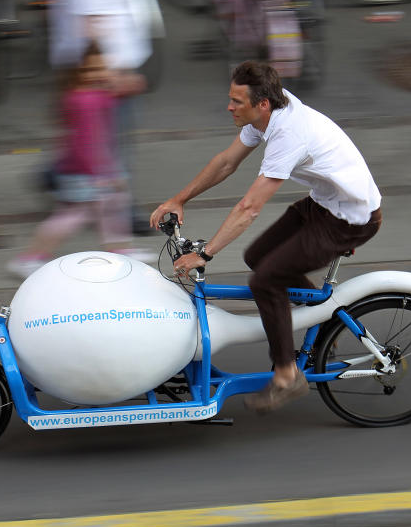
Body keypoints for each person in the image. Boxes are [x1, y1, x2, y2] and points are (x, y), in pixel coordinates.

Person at [149, 62, 383, 414]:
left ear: (262, 104)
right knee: (258, 257)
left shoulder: (289, 134)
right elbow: (226, 162)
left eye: (236, 101)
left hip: (350, 219)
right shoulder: (267, 113)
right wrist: (179, 199)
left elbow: (249, 208)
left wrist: (206, 254)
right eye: (230, 98)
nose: (229, 107)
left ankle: (288, 376)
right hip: (323, 205)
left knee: (265, 280)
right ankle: (320, 322)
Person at [43, 0, 152, 232]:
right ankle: (119, 213)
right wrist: (110, 73)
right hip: (102, 66)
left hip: (92, 63)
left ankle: (56, 175)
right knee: (111, 145)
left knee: (94, 137)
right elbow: (92, 19)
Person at [6, 43, 153, 278]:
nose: (100, 74)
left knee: (113, 207)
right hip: (87, 171)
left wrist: (126, 85)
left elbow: (116, 95)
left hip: (94, 168)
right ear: (78, 74)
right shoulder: (85, 101)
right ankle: (29, 258)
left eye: (102, 68)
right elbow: (85, 143)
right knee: (73, 216)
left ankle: (121, 249)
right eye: (92, 70)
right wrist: (101, 174)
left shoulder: (90, 96)